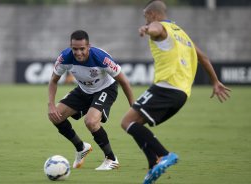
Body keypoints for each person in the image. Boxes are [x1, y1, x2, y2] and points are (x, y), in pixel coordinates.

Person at [121, 0, 231, 183]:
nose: (146, 21)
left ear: (153, 14)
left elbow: (155, 29)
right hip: (181, 94)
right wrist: (215, 81)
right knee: (137, 124)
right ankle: (153, 164)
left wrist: (146, 30)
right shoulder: (182, 34)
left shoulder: (158, 25)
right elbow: (202, 57)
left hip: (165, 87)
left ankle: (164, 155)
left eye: (146, 17)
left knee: (127, 121)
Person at [48, 30, 134, 171]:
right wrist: (50, 105)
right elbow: (53, 81)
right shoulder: (64, 58)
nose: (78, 53)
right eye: (75, 49)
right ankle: (81, 148)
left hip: (106, 89)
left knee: (91, 121)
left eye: (82, 49)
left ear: (89, 46)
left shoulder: (101, 58)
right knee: (56, 116)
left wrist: (133, 106)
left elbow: (124, 81)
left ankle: (111, 159)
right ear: (71, 47)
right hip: (83, 90)